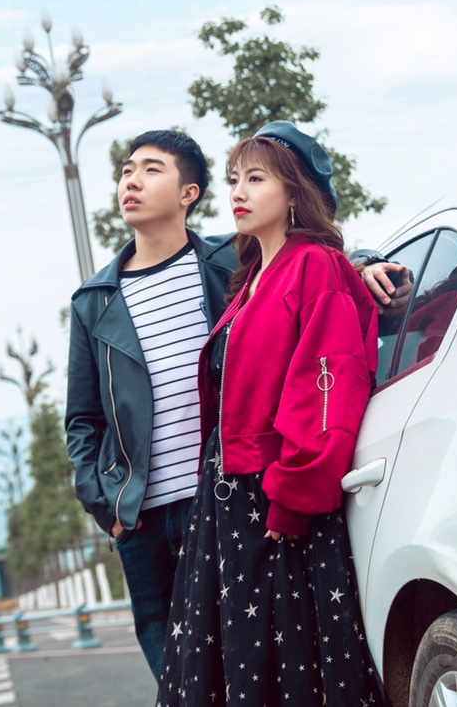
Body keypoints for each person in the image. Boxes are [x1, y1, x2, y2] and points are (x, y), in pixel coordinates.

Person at [65, 128, 396, 681]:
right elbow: (82, 417)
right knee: (181, 677)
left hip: (228, 498)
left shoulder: (228, 263)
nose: (131, 181)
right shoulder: (94, 301)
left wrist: (367, 265)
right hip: (144, 518)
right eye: (126, 171)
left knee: (247, 669)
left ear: (189, 193)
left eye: (150, 169)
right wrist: (107, 505)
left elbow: (310, 269)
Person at [156, 122, 386, 706]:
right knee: (237, 670)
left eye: (256, 179)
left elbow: (326, 385)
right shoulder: (250, 280)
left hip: (275, 501)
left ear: (294, 191)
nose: (238, 191)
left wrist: (294, 496)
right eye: (234, 179)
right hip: (228, 503)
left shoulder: (316, 266)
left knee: (286, 671)